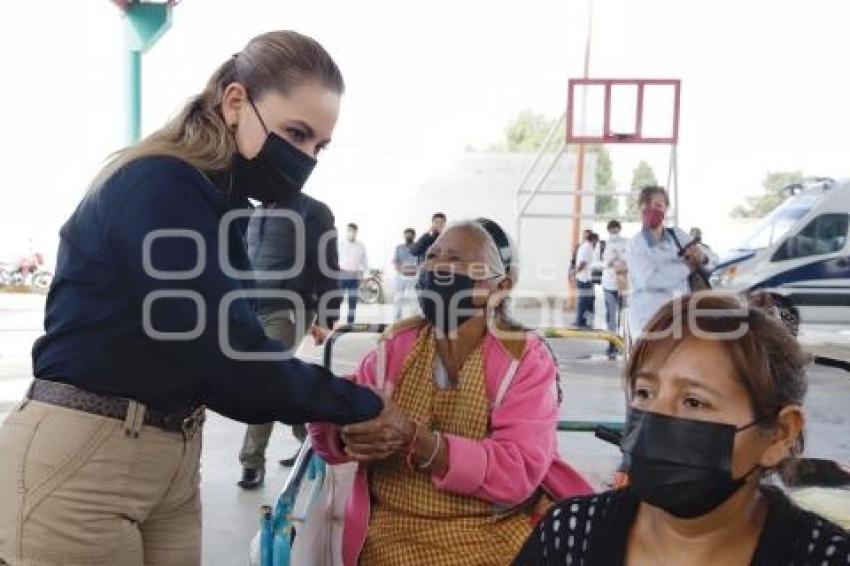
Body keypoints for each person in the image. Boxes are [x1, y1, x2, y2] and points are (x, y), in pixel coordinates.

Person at [0, 31, 383, 566]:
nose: (305, 159)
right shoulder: (161, 187)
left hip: (171, 457)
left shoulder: (217, 204)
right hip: (86, 460)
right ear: (234, 101)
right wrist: (363, 405)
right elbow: (232, 360)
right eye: (295, 133)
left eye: (317, 146)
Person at [309, 219, 592, 566]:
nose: (436, 266)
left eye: (455, 259)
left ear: (497, 287)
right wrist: (343, 433)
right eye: (432, 254)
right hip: (391, 531)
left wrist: (416, 439)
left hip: (492, 532)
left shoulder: (524, 358)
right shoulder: (397, 346)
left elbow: (517, 473)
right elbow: (334, 424)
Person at [514, 293, 850, 565]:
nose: (654, 417)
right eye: (645, 393)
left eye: (693, 401)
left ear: (779, 434)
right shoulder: (569, 537)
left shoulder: (823, 556)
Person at [237, 189, 342, 490]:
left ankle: (251, 462)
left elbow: (328, 265)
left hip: (289, 308)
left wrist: (326, 316)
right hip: (251, 307)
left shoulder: (314, 211)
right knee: (275, 381)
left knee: (263, 379)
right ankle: (310, 433)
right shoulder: (255, 210)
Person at [626, 185, 714, 337]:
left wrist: (702, 257)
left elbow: (714, 259)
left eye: (658, 206)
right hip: (650, 322)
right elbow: (650, 280)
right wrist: (687, 267)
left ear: (666, 210)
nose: (652, 210)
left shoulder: (678, 236)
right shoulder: (635, 244)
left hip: (682, 318)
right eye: (647, 206)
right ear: (641, 209)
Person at [602, 219, 628, 359]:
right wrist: (613, 260)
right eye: (611, 230)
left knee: (623, 316)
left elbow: (629, 260)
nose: (614, 232)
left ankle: (621, 343)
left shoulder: (627, 243)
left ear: (619, 229)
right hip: (609, 284)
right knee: (611, 316)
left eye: (615, 229)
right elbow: (604, 263)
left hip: (623, 283)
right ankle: (612, 344)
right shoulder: (604, 244)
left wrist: (617, 259)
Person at [338, 222, 368, 324]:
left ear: (356, 232)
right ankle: (334, 321)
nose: (351, 233)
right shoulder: (340, 244)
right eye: (349, 231)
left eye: (353, 231)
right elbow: (333, 260)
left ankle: (350, 324)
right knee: (338, 300)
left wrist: (362, 275)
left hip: (354, 277)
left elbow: (364, 263)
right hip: (341, 275)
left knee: (352, 301)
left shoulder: (361, 246)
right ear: (346, 232)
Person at [392, 228, 418, 321]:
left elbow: (421, 261)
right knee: (398, 298)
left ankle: (416, 319)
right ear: (404, 236)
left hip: (413, 276)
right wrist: (400, 270)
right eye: (406, 234)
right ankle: (396, 320)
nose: (408, 236)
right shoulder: (399, 247)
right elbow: (395, 261)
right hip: (401, 276)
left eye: (410, 234)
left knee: (414, 298)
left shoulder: (418, 247)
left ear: (414, 236)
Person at [573, 231, 597, 329]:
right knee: (585, 301)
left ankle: (581, 321)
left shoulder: (584, 246)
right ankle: (581, 322)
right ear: (594, 239)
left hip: (584, 278)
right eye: (596, 241)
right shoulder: (588, 247)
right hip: (584, 279)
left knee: (586, 301)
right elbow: (583, 263)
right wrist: (575, 272)